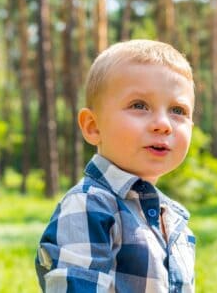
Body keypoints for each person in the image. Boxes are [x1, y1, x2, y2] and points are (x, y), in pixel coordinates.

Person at [35, 39, 196, 293]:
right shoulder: (91, 206)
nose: (163, 124)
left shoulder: (173, 219)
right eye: (139, 106)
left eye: (178, 110)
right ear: (93, 126)